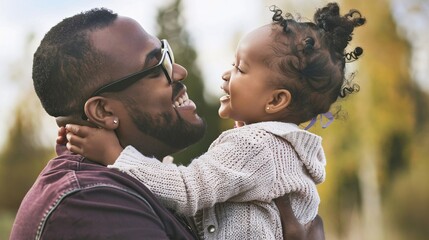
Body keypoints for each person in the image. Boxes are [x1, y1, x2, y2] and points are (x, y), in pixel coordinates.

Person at [9, 7, 323, 240]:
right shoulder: (89, 204)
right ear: (104, 111)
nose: (180, 72)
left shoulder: (127, 187)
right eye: (156, 65)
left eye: (167, 54)